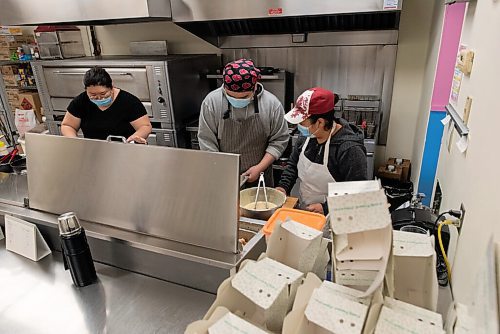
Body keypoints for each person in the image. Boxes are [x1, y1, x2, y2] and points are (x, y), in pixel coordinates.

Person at [197, 59, 289, 186]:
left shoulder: (271, 105)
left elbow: (279, 140)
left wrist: (259, 168)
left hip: (260, 175)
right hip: (223, 174)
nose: (237, 101)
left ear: (255, 86)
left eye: (244, 97)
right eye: (231, 96)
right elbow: (207, 141)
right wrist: (222, 170)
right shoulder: (211, 102)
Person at [276, 87, 367, 215]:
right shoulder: (307, 136)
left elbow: (358, 194)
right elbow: (292, 166)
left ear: (320, 122)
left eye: (302, 122)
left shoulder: (349, 149)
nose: (299, 127)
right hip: (308, 211)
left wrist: (326, 208)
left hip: (337, 216)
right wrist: (283, 187)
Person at [61, 66, 152, 143]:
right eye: (93, 95)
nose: (99, 98)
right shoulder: (80, 102)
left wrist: (135, 138)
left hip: (125, 148)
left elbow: (145, 126)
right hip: (94, 150)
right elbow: (68, 125)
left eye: (103, 94)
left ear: (111, 86)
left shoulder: (129, 102)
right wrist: (74, 141)